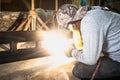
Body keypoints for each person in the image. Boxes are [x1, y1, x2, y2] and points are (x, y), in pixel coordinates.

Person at [56, 4, 120, 79]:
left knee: (79, 69)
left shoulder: (89, 22)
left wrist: (71, 52)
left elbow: (91, 60)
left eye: (69, 27)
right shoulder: (91, 13)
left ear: (73, 24)